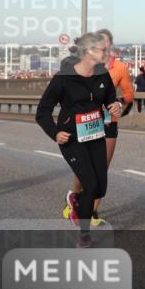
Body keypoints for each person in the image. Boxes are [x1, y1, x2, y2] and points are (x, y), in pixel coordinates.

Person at [35, 33, 120, 247]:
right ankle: (84, 235)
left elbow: (111, 98)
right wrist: (55, 132)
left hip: (96, 136)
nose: (107, 53)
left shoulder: (103, 75)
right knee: (90, 185)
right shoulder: (64, 78)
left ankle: (76, 200)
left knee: (100, 188)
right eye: (103, 50)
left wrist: (115, 105)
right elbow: (42, 112)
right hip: (71, 139)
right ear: (89, 52)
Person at [59, 29, 132, 226]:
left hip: (107, 123)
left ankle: (91, 211)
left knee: (101, 170)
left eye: (106, 45)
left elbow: (129, 94)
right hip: (85, 124)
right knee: (83, 171)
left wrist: (117, 101)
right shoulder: (82, 66)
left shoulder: (119, 68)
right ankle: (75, 197)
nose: (103, 48)